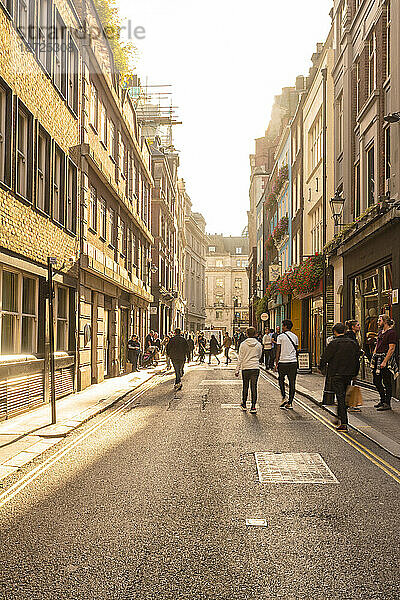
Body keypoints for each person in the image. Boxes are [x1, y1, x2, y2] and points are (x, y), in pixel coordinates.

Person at [319, 322, 360, 431]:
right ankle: (339, 417)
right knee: (344, 397)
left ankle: (344, 423)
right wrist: (355, 373)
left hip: (337, 374)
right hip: (349, 374)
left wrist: (321, 367)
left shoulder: (334, 343)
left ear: (334, 332)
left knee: (341, 397)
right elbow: (357, 359)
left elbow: (325, 357)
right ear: (345, 331)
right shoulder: (353, 343)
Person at [371, 315, 398, 411]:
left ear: (385, 322)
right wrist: (373, 357)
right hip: (377, 359)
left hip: (385, 360)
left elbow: (391, 349)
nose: (378, 322)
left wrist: (385, 361)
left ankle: (387, 403)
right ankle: (382, 400)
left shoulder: (391, 333)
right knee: (376, 381)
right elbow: (377, 346)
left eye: (379, 321)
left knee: (387, 382)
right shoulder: (380, 332)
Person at [235, 326, 263, 413]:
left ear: (246, 334)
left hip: (246, 367)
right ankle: (253, 407)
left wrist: (237, 370)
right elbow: (259, 356)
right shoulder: (258, 344)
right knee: (254, 387)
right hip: (255, 367)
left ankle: (244, 404)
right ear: (255, 334)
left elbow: (240, 358)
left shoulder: (243, 344)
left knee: (245, 386)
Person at [275, 320, 298, 410]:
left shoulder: (280, 337)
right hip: (293, 362)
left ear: (285, 326)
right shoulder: (295, 337)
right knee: (292, 382)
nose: (282, 327)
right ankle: (290, 402)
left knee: (281, 379)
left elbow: (278, 350)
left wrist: (276, 363)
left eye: (283, 326)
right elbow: (296, 349)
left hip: (283, 362)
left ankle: (284, 397)